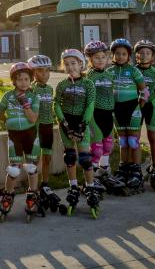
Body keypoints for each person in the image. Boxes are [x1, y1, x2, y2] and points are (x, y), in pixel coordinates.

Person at [53, 49, 101, 218]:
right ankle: (73, 186)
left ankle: (90, 186)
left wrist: (82, 125)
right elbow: (57, 104)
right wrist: (64, 124)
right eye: (66, 64)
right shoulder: (62, 85)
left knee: (85, 158)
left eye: (73, 63)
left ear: (81, 64)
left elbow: (90, 104)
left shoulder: (88, 84)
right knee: (70, 157)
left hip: (82, 123)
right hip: (66, 124)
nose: (70, 67)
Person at [0, 62, 40, 221]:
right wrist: (9, 120)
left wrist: (25, 104)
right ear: (14, 81)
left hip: (30, 135)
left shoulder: (34, 96)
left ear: (31, 80)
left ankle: (33, 195)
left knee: (31, 167)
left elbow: (33, 119)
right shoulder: (7, 96)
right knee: (13, 170)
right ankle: (8, 195)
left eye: (26, 79)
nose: (23, 82)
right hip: (15, 135)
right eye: (19, 79)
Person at [107, 38, 149, 194]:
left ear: (129, 55)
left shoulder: (133, 71)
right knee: (123, 142)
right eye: (117, 54)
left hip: (132, 108)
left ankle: (137, 170)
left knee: (133, 140)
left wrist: (140, 105)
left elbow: (144, 91)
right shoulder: (109, 71)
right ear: (113, 55)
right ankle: (124, 168)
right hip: (117, 109)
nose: (120, 56)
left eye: (123, 54)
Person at [84, 40, 116, 190]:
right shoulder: (90, 77)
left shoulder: (109, 75)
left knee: (108, 145)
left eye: (103, 57)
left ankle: (104, 171)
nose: (101, 60)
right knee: (96, 148)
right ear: (90, 60)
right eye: (96, 58)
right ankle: (92, 176)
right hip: (95, 115)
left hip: (108, 114)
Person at [28, 55, 57, 212]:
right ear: (33, 72)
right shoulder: (30, 89)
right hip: (36, 128)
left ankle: (45, 184)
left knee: (48, 157)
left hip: (48, 126)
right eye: (40, 71)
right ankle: (34, 188)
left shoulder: (50, 89)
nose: (44, 75)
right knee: (35, 159)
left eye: (47, 71)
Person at [134, 39, 155, 189]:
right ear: (136, 56)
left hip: (151, 106)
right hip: (136, 107)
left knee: (153, 137)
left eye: (148, 53)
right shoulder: (132, 71)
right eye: (141, 53)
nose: (144, 55)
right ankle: (136, 168)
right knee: (136, 138)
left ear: (153, 57)